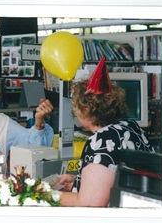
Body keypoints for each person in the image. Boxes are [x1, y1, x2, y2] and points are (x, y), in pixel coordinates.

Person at [58, 57, 155, 207]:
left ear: (85, 110)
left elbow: (90, 204)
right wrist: (78, 181)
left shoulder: (101, 139)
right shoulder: (130, 126)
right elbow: (113, 175)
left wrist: (46, 194)